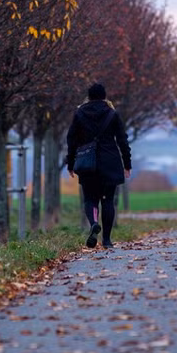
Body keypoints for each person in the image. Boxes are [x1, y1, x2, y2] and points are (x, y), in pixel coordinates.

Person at [66, 82, 131, 249]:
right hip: (109, 161)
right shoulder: (112, 114)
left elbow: (71, 139)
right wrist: (127, 163)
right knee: (108, 200)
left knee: (90, 198)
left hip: (88, 163)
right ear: (104, 96)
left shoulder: (79, 113)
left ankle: (94, 222)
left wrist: (71, 162)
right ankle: (107, 240)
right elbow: (122, 140)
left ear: (88, 97)